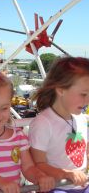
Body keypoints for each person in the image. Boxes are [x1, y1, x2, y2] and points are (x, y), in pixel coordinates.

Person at [28, 57, 89, 192]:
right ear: (61, 90)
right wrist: (66, 174)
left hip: (83, 184)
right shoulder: (43, 123)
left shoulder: (82, 119)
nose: (88, 100)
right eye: (84, 94)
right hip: (58, 187)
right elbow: (38, 164)